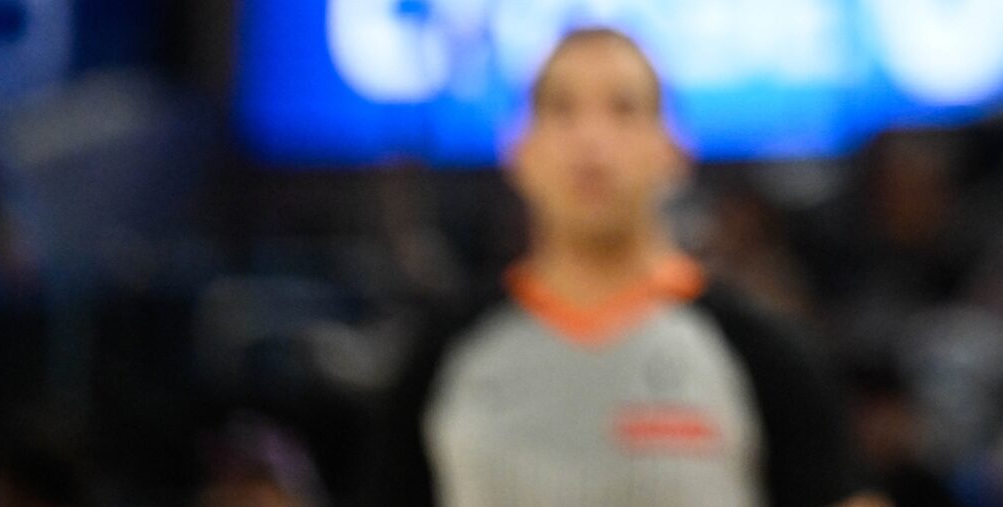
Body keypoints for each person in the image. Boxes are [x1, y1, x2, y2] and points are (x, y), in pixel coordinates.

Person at [364, 26, 866, 507]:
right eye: (561, 109)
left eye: (624, 109)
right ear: (519, 149)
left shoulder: (764, 353)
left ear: (673, 148)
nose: (591, 138)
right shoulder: (444, 354)